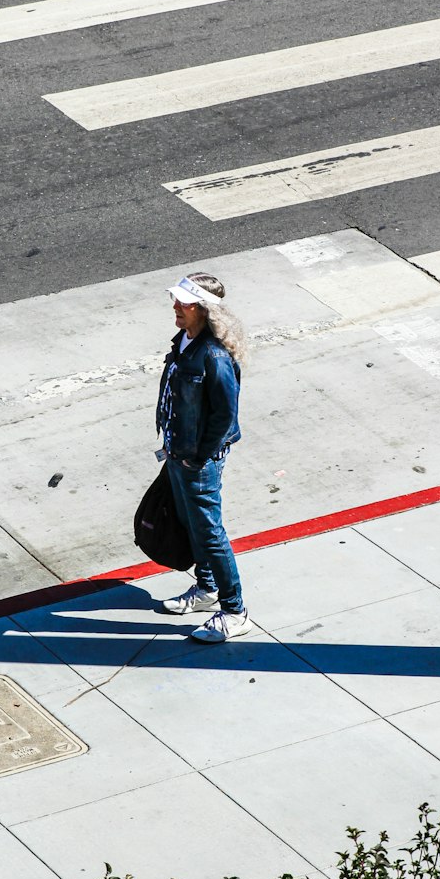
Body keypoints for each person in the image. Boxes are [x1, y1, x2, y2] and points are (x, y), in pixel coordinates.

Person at [155, 272, 253, 642]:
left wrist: (200, 457)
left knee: (210, 532)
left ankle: (235, 610)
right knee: (190, 521)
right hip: (179, 451)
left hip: (197, 458)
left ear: (204, 309)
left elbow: (225, 412)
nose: (176, 307)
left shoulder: (212, 354)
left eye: (184, 302)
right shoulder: (184, 340)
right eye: (177, 300)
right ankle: (207, 589)